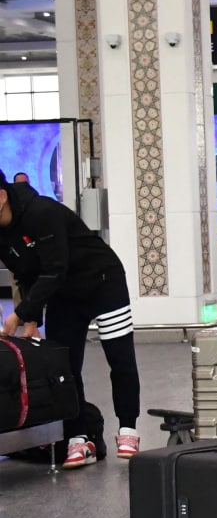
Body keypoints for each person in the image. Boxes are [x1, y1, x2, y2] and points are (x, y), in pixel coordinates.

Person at [0, 169, 141, 467]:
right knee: (65, 368)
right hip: (63, 294)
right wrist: (32, 321)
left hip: (103, 282)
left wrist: (20, 314)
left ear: (1, 197)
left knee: (120, 359)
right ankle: (79, 438)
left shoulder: (42, 212)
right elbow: (25, 274)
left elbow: (55, 268)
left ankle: (128, 430)